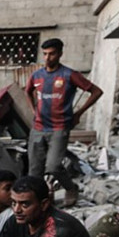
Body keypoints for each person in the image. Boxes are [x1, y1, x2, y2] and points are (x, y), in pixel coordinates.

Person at [25, 38, 102, 206]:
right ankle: (40, 202)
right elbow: (27, 91)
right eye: (45, 54)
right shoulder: (37, 76)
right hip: (38, 127)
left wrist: (78, 113)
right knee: (34, 171)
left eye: (52, 54)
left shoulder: (69, 75)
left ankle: (70, 187)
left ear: (60, 54)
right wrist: (33, 109)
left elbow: (96, 92)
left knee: (52, 167)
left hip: (59, 128)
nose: (47, 58)